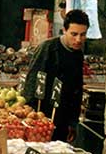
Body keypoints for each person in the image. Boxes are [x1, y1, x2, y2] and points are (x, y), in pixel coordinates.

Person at [22, 9, 89, 142]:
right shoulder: (47, 48)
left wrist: (73, 123)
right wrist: (31, 118)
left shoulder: (78, 54)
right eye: (74, 34)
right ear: (64, 30)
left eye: (83, 35)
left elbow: (77, 89)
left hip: (62, 120)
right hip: (40, 119)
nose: (78, 39)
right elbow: (31, 83)